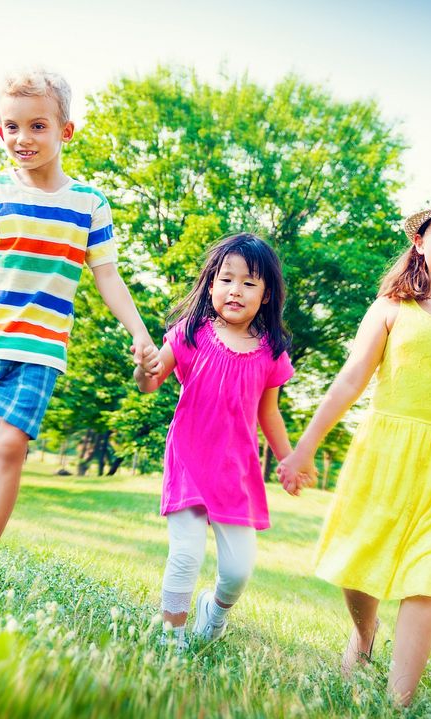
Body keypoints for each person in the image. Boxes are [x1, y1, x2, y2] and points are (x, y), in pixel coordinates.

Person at [0, 69, 160, 595]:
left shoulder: (88, 203)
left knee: (9, 449)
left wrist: (141, 335)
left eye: (37, 126)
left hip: (40, 348)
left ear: (66, 132)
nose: (23, 139)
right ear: (0, 130)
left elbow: (108, 276)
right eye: (11, 127)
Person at [278, 190, 431, 705]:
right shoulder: (391, 308)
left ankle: (397, 702)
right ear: (420, 242)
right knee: (359, 559)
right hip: (384, 448)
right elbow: (348, 381)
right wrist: (304, 449)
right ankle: (363, 634)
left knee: (429, 576)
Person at [134, 233, 301, 649]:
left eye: (249, 283)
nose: (236, 290)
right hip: (189, 458)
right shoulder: (189, 334)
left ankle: (214, 615)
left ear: (265, 296)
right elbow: (150, 382)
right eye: (227, 279)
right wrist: (143, 368)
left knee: (238, 570)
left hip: (236, 471)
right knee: (186, 555)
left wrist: (288, 460)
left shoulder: (271, 352)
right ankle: (171, 637)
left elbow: (269, 413)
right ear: (211, 285)